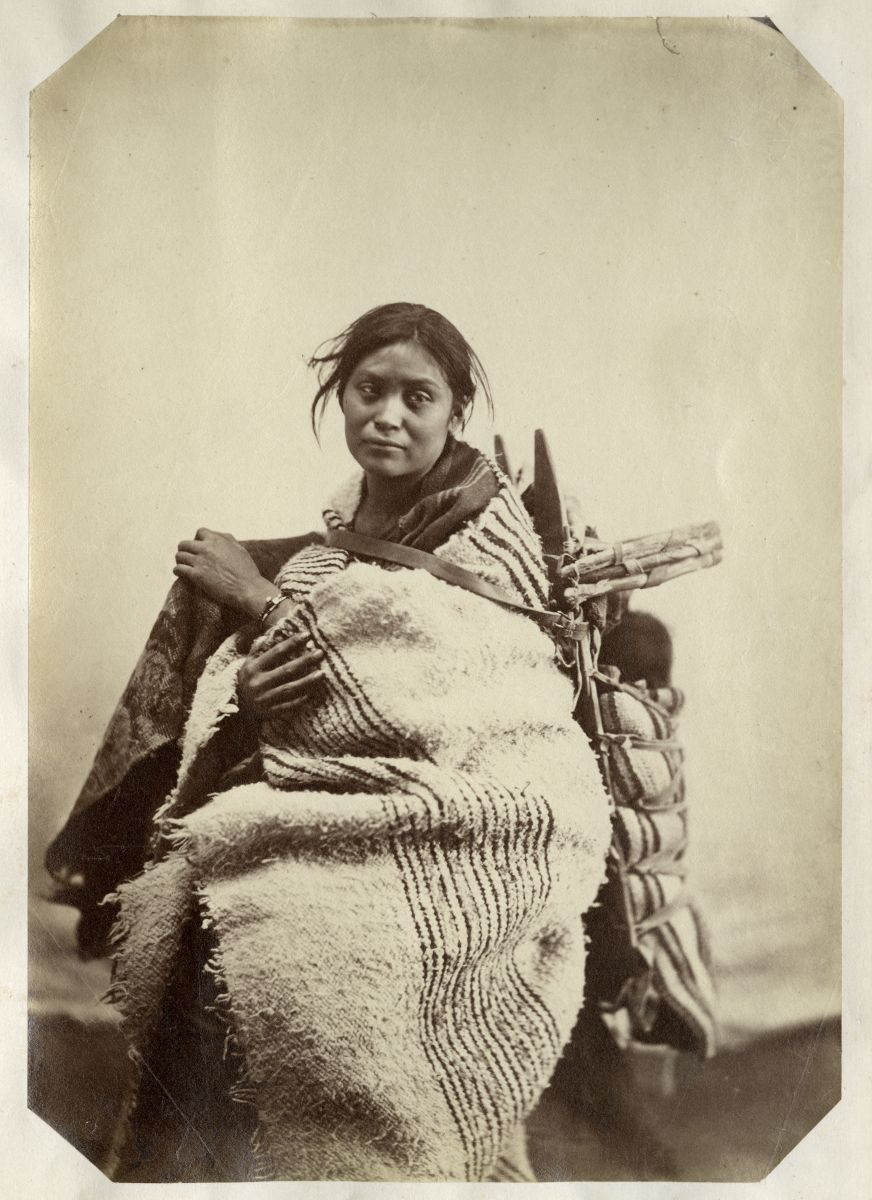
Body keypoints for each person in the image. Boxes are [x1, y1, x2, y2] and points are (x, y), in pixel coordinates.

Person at [47, 302, 613, 1183]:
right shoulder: (346, 522)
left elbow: (431, 689)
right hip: (334, 788)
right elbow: (303, 660)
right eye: (368, 390)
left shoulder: (484, 530)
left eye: (417, 398)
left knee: (295, 939)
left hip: (471, 809)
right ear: (339, 395)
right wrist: (247, 694)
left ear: (455, 412)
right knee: (208, 905)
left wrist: (258, 600)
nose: (388, 416)